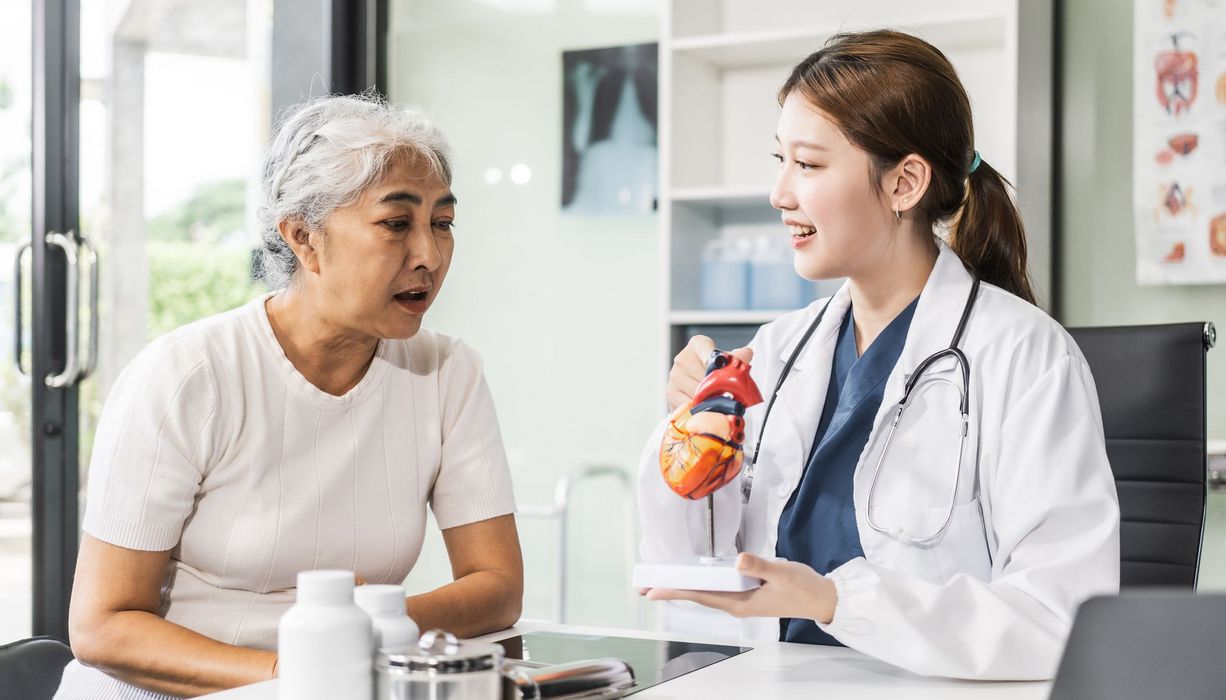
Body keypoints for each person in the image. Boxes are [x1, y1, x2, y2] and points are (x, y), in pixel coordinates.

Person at [637, 30, 1120, 681]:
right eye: (780, 160)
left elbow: (1060, 619)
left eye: (807, 165)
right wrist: (690, 431)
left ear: (905, 183)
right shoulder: (775, 355)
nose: (780, 193)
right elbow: (689, 563)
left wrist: (837, 603)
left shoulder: (1025, 359)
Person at [56, 95, 523, 699]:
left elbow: (498, 584)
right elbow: (103, 627)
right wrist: (293, 673)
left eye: (442, 223)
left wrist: (360, 637)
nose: (429, 256)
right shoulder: (188, 374)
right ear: (304, 237)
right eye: (396, 224)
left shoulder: (448, 371)